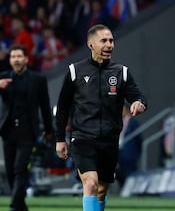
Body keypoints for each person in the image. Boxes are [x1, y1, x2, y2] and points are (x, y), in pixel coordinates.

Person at [54, 24, 147, 211]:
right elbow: (63, 107)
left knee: (102, 190)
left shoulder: (121, 72)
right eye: (103, 40)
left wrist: (139, 103)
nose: (109, 44)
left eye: (111, 40)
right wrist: (59, 140)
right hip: (82, 138)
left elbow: (138, 96)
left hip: (109, 140)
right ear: (91, 44)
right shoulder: (75, 71)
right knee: (91, 183)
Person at [0, 44, 54, 211]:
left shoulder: (38, 79)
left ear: (26, 59)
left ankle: (14, 205)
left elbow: (45, 106)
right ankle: (20, 206)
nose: (16, 59)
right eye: (13, 57)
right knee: (10, 171)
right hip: (8, 130)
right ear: (9, 60)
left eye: (19, 56)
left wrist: (48, 129)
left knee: (20, 167)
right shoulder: (3, 78)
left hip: (28, 130)